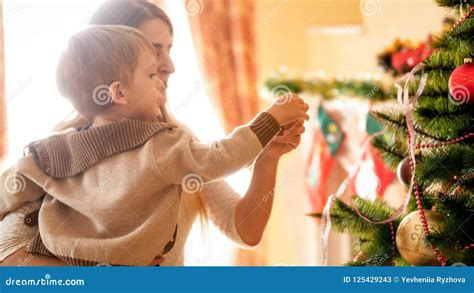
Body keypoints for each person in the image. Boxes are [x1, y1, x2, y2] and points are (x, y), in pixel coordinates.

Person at [0, 0, 307, 266]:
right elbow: (9, 259)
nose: (170, 65)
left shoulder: (173, 145)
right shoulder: (57, 154)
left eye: (169, 49)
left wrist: (268, 156)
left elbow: (245, 230)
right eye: (153, 50)